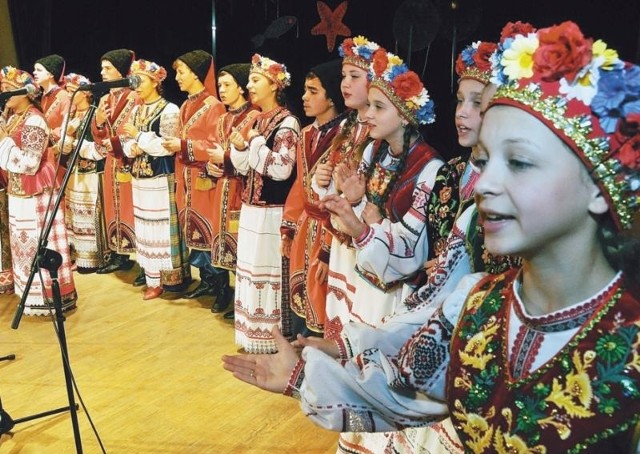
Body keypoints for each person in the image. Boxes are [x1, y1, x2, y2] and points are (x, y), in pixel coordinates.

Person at [223, 21, 640, 452]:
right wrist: (308, 374)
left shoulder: (628, 347)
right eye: (485, 159)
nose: (483, 185)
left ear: (597, 187)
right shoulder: (479, 304)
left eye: (519, 162)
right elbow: (406, 385)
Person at [229, 53, 300, 353]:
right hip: (252, 210)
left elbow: (281, 169)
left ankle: (272, 336)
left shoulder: (288, 123)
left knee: (268, 270)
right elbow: (246, 167)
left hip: (272, 212)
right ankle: (251, 333)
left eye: (255, 80)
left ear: (275, 84)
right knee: (250, 268)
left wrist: (255, 143)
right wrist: (240, 147)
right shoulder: (257, 119)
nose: (249, 85)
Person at [312, 36, 376, 340]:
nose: (345, 84)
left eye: (354, 76)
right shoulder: (348, 127)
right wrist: (321, 180)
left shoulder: (379, 135)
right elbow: (332, 193)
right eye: (343, 77)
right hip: (342, 243)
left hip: (365, 245)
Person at [0, 66, 77, 315]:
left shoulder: (34, 120)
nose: (4, 94)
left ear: (26, 93)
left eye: (9, 89)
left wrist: (4, 144)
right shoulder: (13, 118)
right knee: (24, 244)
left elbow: (30, 163)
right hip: (18, 191)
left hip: (36, 193)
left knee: (39, 242)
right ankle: (30, 297)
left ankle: (50, 298)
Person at [280, 59, 346, 338]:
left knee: (323, 298)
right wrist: (289, 227)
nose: (304, 97)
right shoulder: (306, 133)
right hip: (306, 226)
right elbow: (299, 185)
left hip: (330, 230)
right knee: (301, 296)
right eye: (305, 90)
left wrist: (329, 250)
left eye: (313, 91)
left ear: (331, 96)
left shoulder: (346, 137)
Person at [116, 59, 188, 300]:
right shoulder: (136, 109)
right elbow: (125, 137)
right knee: (145, 227)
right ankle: (151, 277)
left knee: (161, 227)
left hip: (159, 176)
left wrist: (140, 138)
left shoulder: (169, 110)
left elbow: (167, 146)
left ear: (156, 82)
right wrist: (131, 146)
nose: (136, 85)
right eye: (134, 79)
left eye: (141, 79)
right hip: (139, 177)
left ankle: (170, 278)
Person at [163, 50, 225, 298]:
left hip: (204, 179)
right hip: (185, 178)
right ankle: (207, 280)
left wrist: (184, 145)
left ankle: (221, 287)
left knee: (208, 231)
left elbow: (215, 145)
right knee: (193, 231)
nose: (177, 77)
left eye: (181, 72)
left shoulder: (214, 106)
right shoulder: (186, 105)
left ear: (196, 73)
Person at [205, 63, 260, 314]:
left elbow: (251, 158)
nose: (222, 90)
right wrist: (210, 166)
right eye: (219, 86)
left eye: (227, 85)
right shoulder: (222, 118)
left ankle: (244, 299)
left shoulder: (255, 117)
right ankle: (223, 289)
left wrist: (225, 158)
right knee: (222, 242)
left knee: (241, 244)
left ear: (241, 86)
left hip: (242, 188)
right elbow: (213, 149)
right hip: (222, 189)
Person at [91, 49, 140, 275]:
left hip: (131, 159)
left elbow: (138, 129)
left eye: (108, 68)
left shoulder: (136, 97)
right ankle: (120, 254)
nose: (103, 73)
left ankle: (143, 258)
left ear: (121, 70)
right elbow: (98, 135)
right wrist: (99, 122)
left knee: (133, 208)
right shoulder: (104, 99)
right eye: (102, 68)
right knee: (114, 208)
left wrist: (115, 142)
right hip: (112, 162)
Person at [58, 73, 109, 274]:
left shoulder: (94, 114)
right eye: (69, 91)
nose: (70, 94)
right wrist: (67, 138)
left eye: (73, 91)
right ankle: (78, 254)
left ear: (86, 93)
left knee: (89, 214)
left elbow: (99, 147)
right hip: (74, 172)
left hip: (90, 172)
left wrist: (75, 145)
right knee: (74, 215)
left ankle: (95, 257)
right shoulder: (70, 117)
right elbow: (63, 147)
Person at [33, 53, 70, 167]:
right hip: (44, 150)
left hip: (58, 151)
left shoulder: (63, 96)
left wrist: (48, 135)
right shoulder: (43, 97)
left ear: (50, 74)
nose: (34, 73)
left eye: (39, 70)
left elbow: (67, 125)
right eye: (34, 70)